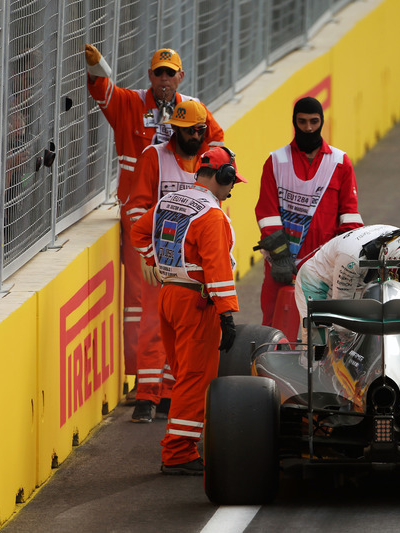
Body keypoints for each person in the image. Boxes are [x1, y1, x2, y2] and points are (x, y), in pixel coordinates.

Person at [84, 43, 224, 409]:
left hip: (183, 226)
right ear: (151, 76)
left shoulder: (193, 111)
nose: (164, 78)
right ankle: (143, 382)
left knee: (176, 305)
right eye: (158, 72)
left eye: (170, 72)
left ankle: (163, 385)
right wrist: (98, 67)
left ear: (181, 76)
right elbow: (103, 92)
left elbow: (220, 146)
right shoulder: (131, 104)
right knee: (140, 304)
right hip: (140, 218)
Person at [130, 146, 246, 475]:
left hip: (168, 296)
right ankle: (179, 452)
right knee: (194, 378)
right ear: (222, 177)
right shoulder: (212, 216)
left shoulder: (170, 200)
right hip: (196, 302)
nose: (233, 187)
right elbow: (217, 267)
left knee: (184, 376)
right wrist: (227, 314)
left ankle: (182, 444)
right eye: (232, 180)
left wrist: (153, 260)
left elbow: (139, 233)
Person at [124, 99, 210, 422]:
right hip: (160, 261)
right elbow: (137, 208)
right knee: (153, 326)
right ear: (173, 129)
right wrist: (146, 254)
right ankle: (146, 396)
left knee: (187, 333)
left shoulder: (208, 163)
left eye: (197, 131)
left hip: (194, 265)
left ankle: (170, 396)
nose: (191, 136)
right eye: (185, 131)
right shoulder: (154, 157)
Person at [255, 96, 363, 326]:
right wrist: (281, 258)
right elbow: (267, 213)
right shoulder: (275, 161)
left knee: (325, 329)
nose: (309, 128)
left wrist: (345, 258)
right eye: (302, 122)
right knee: (277, 326)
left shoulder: (340, 162)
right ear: (294, 122)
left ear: (322, 121)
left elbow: (350, 218)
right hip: (282, 264)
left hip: (324, 264)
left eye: (314, 121)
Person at [294, 225, 400, 329]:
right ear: (394, 260)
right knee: (320, 346)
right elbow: (341, 310)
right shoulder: (352, 258)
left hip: (356, 282)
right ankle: (306, 360)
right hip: (317, 281)